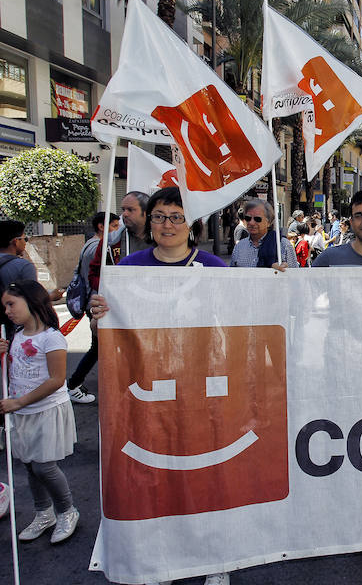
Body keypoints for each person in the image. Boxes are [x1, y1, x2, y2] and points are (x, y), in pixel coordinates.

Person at [89, 188, 229, 585]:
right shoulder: (128, 268)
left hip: (203, 389)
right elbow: (112, 336)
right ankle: (163, 559)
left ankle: (214, 560)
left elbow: (241, 321)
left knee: (207, 473)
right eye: (160, 216)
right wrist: (100, 318)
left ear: (192, 224)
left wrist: (273, 282)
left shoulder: (214, 267)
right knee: (157, 477)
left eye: (176, 216)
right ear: (149, 224)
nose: (167, 224)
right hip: (149, 392)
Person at [0, 280, 79, 544]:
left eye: (11, 304)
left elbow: (56, 380)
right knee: (29, 466)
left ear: (32, 302)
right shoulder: (16, 335)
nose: (7, 311)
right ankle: (43, 512)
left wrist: (20, 402)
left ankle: (67, 510)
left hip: (45, 410)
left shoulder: (51, 337)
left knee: (44, 467)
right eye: (5, 306)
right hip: (22, 412)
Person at [66, 212, 120, 405]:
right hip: (96, 303)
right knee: (97, 348)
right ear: (101, 226)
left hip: (94, 302)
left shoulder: (92, 243)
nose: (117, 229)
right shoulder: (97, 246)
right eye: (114, 225)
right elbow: (96, 277)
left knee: (102, 347)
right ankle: (73, 384)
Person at [0, 221, 64, 327]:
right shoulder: (23, 266)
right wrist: (52, 295)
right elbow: (33, 298)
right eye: (25, 239)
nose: (26, 243)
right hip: (15, 328)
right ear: (15, 242)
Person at [230, 199, 299, 271]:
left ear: (268, 222)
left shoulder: (283, 245)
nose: (251, 223)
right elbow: (232, 276)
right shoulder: (240, 246)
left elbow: (295, 277)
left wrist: (285, 271)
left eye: (257, 219)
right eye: (248, 218)